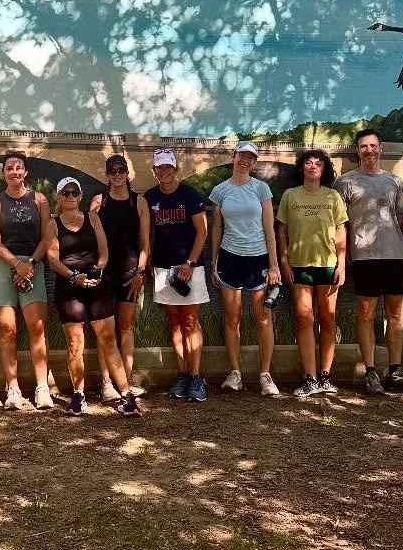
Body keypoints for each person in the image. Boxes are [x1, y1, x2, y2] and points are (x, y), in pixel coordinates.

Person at [335, 129, 403, 395]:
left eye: (373, 146)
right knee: (366, 314)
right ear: (357, 151)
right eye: (363, 146)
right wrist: (344, 253)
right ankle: (370, 371)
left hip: (396, 255)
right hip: (364, 257)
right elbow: (340, 224)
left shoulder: (395, 181)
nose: (369, 150)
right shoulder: (345, 183)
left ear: (380, 149)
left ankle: (394, 370)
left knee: (396, 316)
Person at [46, 177, 140, 416]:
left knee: (108, 339)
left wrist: (97, 271)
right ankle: (79, 396)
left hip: (96, 283)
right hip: (69, 286)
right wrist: (73, 276)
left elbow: (104, 252)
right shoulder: (53, 224)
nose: (70, 197)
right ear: (59, 197)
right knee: (74, 343)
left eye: (74, 192)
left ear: (80, 196)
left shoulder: (93, 218)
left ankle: (127, 396)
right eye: (65, 193)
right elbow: (53, 259)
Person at [209, 142, 281, 396]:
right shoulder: (220, 190)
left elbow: (270, 228)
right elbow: (216, 227)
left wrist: (273, 264)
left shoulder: (261, 188)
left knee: (263, 317)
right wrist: (215, 261)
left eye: (251, 158)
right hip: (230, 257)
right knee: (232, 317)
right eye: (242, 155)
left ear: (254, 162)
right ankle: (236, 373)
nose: (245, 161)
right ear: (234, 157)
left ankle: (265, 375)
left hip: (258, 258)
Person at [0, 151, 54, 410]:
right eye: (9, 168)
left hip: (34, 264)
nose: (14, 171)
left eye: (18, 167)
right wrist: (16, 264)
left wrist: (31, 264)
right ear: (3, 173)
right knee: (7, 329)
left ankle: (41, 387)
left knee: (37, 328)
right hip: (3, 266)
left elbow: (47, 237)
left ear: (25, 172)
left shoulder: (39, 200)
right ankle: (12, 388)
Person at [277, 148, 348, 398]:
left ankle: (326, 376)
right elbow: (281, 231)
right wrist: (284, 261)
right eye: (308, 162)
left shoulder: (333, 196)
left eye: (318, 162)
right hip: (299, 266)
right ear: (301, 168)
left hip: (328, 264)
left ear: (324, 168)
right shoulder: (290, 195)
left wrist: (341, 265)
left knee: (328, 319)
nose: (313, 166)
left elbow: (341, 233)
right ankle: (310, 378)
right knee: (304, 319)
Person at [144, 148, 209, 402]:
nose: (164, 171)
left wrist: (189, 262)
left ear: (176, 169)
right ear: (154, 170)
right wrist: (148, 257)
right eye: (159, 167)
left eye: (168, 166)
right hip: (163, 268)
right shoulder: (149, 197)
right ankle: (182, 376)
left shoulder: (190, 195)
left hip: (190, 267)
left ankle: (196, 376)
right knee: (174, 322)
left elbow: (202, 232)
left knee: (191, 321)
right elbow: (148, 232)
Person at [89, 154, 150, 402]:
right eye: (112, 171)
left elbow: (145, 242)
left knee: (126, 327)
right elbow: (89, 237)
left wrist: (140, 272)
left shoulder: (140, 203)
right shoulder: (98, 202)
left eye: (121, 170)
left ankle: (127, 377)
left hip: (130, 272)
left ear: (127, 173)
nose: (117, 175)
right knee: (105, 330)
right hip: (104, 274)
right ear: (107, 174)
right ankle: (106, 383)